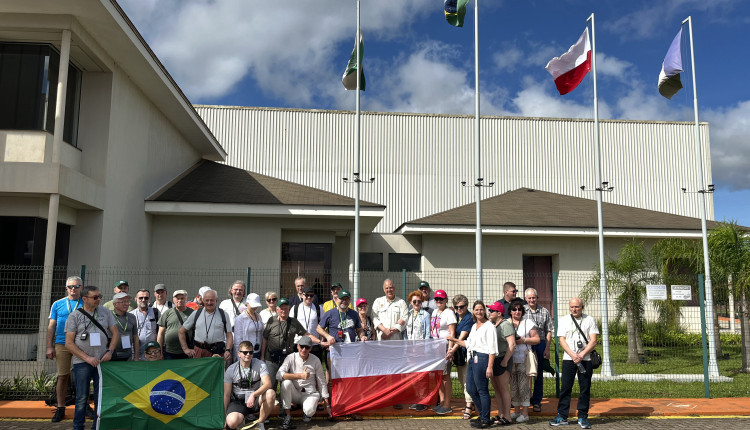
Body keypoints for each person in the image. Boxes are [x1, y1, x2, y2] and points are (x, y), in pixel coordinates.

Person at [64, 285, 120, 430]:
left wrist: (110, 351)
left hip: (102, 362)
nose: (99, 299)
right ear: (84, 299)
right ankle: (78, 427)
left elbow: (115, 334)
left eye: (99, 296)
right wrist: (87, 358)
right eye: (95, 297)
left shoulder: (105, 312)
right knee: (82, 398)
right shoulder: (74, 316)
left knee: (99, 398)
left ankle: (97, 427)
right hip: (82, 363)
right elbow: (69, 343)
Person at [550, 298, 599, 429]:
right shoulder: (564, 320)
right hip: (569, 359)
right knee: (566, 388)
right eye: (572, 307)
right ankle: (562, 416)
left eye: (577, 307)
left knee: (585, 389)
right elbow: (562, 340)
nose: (574, 309)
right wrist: (573, 355)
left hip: (586, 359)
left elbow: (593, 341)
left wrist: (582, 355)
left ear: (582, 306)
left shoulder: (589, 320)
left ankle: (583, 417)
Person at [448, 300, 496, 429]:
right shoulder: (474, 326)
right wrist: (454, 340)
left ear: (484, 311)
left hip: (482, 359)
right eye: (476, 310)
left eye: (481, 309)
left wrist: (490, 367)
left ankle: (485, 419)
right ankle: (483, 415)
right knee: (470, 388)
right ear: (473, 311)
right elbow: (468, 344)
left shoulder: (489, 326)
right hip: (472, 359)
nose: (479, 312)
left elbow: (492, 349)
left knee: (482, 390)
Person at [47, 276, 85, 422]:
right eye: (70, 287)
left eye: (76, 286)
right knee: (62, 376)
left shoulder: (86, 302)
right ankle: (60, 407)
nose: (73, 289)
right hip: (62, 344)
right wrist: (49, 346)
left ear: (81, 287)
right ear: (66, 288)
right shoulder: (58, 304)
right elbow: (51, 327)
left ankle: (83, 405)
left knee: (83, 376)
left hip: (81, 344)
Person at [277, 336, 332, 429]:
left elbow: (321, 381)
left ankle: (306, 411)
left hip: (309, 393)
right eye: (302, 346)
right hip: (295, 393)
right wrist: (300, 376)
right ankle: (287, 416)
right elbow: (278, 375)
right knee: (285, 383)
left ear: (311, 348)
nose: (304, 349)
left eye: (307, 347)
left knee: (309, 411)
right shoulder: (291, 357)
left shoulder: (315, 360)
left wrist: (327, 405)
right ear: (297, 346)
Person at [224, 341, 275, 430]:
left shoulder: (260, 364)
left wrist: (253, 395)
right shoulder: (231, 369)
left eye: (251, 352)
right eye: (245, 352)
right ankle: (241, 418)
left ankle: (260, 422)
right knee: (231, 423)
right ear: (239, 354)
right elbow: (227, 395)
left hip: (255, 399)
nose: (248, 354)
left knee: (271, 393)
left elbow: (268, 384)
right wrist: (224, 416)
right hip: (238, 401)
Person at [261, 298, 309, 389]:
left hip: (287, 358)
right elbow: (265, 338)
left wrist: (320, 341)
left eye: (286, 308)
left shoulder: (294, 322)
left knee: (287, 384)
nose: (283, 310)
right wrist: (262, 356)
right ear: (277, 309)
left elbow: (306, 334)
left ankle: (285, 402)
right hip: (271, 358)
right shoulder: (271, 320)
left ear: (289, 309)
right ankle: (271, 401)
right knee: (269, 384)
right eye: (281, 308)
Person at [508, 298, 539, 423]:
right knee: (513, 387)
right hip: (510, 359)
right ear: (510, 311)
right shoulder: (506, 322)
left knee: (524, 387)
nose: (517, 312)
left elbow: (537, 339)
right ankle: (516, 411)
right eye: (514, 309)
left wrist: (524, 340)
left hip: (523, 359)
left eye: (519, 309)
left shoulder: (528, 323)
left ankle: (525, 413)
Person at [178, 289, 233, 360]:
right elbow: (181, 331)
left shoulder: (223, 314)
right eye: (207, 300)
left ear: (216, 300)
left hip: (217, 352)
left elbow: (229, 334)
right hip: (199, 352)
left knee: (216, 371)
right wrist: (185, 349)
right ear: (203, 300)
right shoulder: (196, 313)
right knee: (199, 371)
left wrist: (228, 350)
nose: (209, 303)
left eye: (212, 300)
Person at [524, 287, 554, 412]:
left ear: (537, 298)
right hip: (525, 344)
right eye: (529, 298)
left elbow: (548, 331)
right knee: (524, 372)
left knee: (538, 374)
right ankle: (523, 399)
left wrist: (547, 348)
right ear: (526, 299)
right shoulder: (521, 310)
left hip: (540, 343)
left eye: (534, 297)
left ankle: (536, 401)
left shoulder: (544, 311)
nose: (532, 300)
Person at [488, 301, 515, 426]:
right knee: (497, 389)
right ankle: (500, 414)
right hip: (495, 359)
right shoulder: (493, 325)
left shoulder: (506, 325)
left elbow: (512, 344)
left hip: (503, 358)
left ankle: (508, 416)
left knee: (503, 389)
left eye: (491, 311)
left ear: (499, 313)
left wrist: (505, 361)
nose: (489, 313)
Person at [431, 289, 456, 415]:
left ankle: (447, 404)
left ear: (446, 300)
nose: (439, 301)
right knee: (439, 375)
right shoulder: (435, 312)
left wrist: (450, 350)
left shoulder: (449, 313)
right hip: (435, 347)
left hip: (445, 347)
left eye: (441, 299)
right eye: (436, 299)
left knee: (446, 376)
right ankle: (441, 402)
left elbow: (452, 332)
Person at [403, 290, 430, 412]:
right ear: (410, 302)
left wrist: (426, 350)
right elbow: (405, 333)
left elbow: (427, 334)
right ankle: (416, 399)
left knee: (422, 376)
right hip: (410, 350)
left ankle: (423, 401)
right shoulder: (407, 315)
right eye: (414, 301)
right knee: (413, 376)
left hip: (421, 350)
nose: (417, 303)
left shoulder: (425, 315)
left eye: (419, 301)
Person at [450, 294, 474, 420]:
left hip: (466, 353)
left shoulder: (469, 318)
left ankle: (469, 406)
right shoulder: (457, 317)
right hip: (459, 354)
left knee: (466, 381)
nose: (459, 309)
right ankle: (473, 401)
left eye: (461, 307)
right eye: (456, 307)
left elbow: (461, 338)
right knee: (461, 379)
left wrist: (451, 351)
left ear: (467, 306)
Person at [156, 289, 193, 359]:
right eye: (177, 298)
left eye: (182, 298)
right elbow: (160, 333)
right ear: (173, 300)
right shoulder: (167, 313)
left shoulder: (192, 313)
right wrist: (160, 352)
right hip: (169, 352)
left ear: (186, 299)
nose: (180, 300)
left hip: (187, 352)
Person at [290, 285, 324, 362]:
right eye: (307, 295)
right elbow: (291, 326)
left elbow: (322, 326)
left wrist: (321, 342)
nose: (309, 297)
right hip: (298, 343)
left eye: (311, 295)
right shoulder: (295, 308)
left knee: (315, 369)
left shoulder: (318, 308)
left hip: (314, 345)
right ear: (302, 295)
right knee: (298, 368)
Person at [233, 293, 264, 359]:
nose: (254, 307)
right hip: (246, 354)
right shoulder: (240, 318)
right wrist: (240, 357)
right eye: (252, 305)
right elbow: (237, 340)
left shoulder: (259, 316)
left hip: (258, 352)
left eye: (256, 305)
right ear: (247, 303)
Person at [111, 292, 139, 361]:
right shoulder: (108, 316)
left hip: (127, 355)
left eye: (127, 301)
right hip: (112, 355)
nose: (126, 304)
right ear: (115, 304)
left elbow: (135, 337)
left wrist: (136, 356)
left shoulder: (132, 317)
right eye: (123, 302)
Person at [131, 289, 158, 360]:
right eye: (140, 298)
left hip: (152, 354)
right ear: (136, 299)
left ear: (149, 299)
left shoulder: (156, 312)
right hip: (136, 354)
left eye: (146, 298)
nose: (143, 300)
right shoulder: (131, 315)